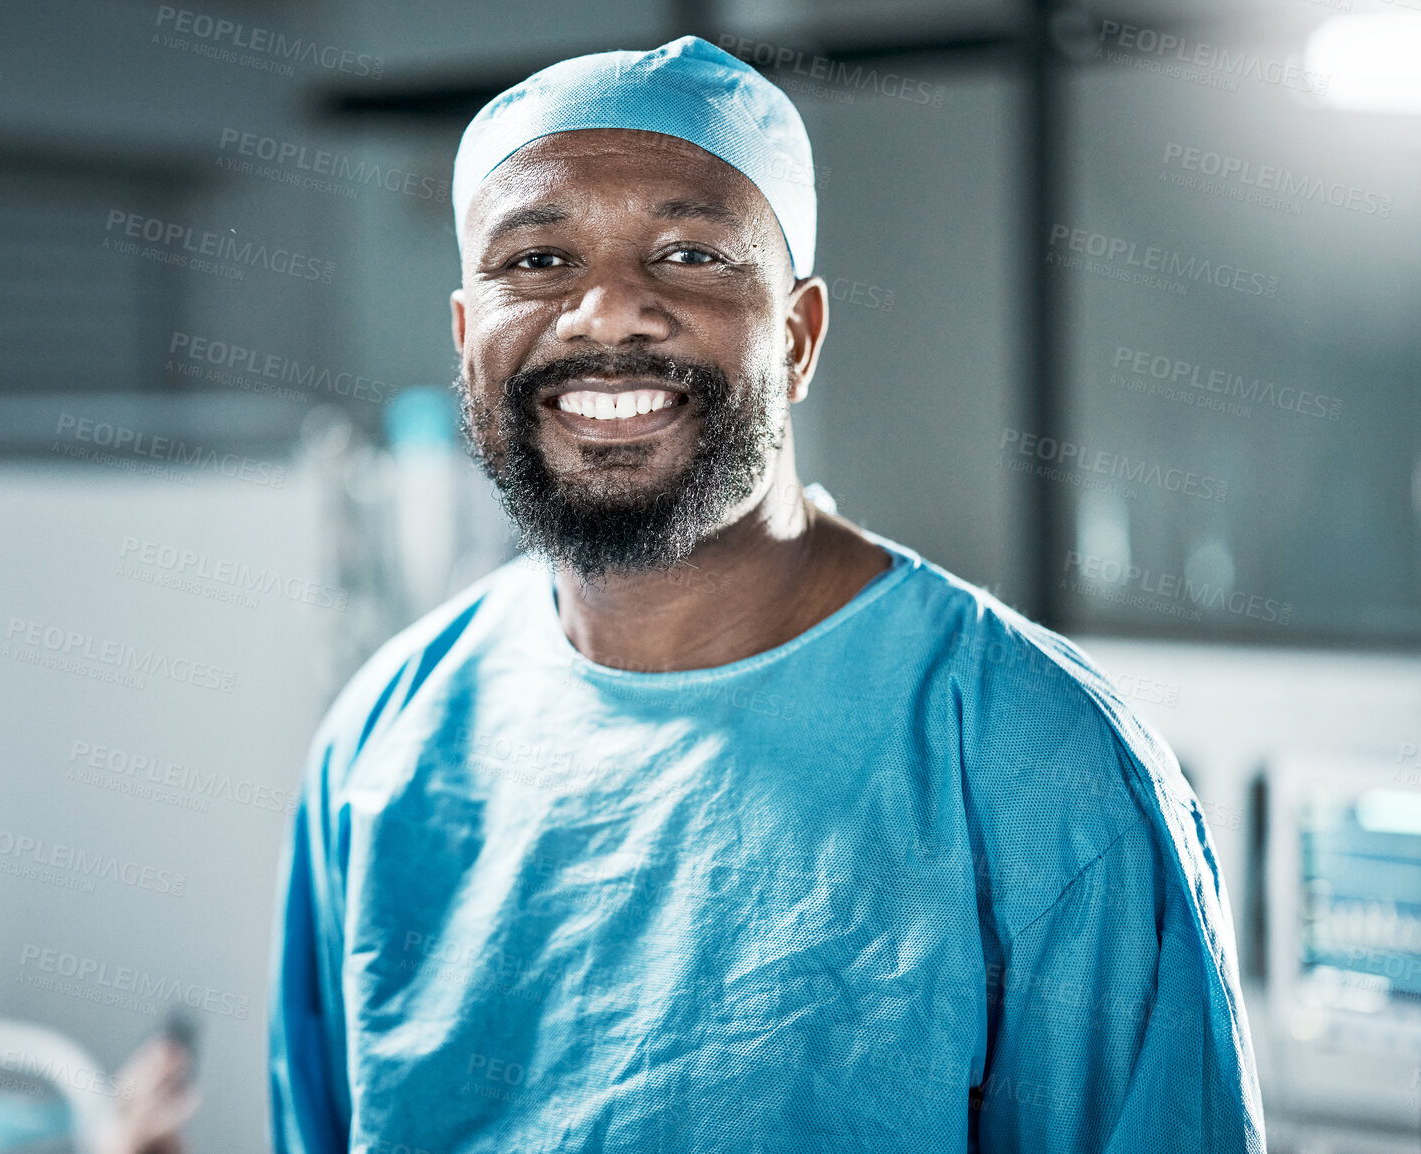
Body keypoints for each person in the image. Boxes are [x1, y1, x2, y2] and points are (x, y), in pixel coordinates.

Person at [269, 35, 1264, 1154]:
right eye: (537, 261)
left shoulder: (1036, 767)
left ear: (796, 335)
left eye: (689, 254)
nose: (606, 313)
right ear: (467, 336)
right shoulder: (384, 747)